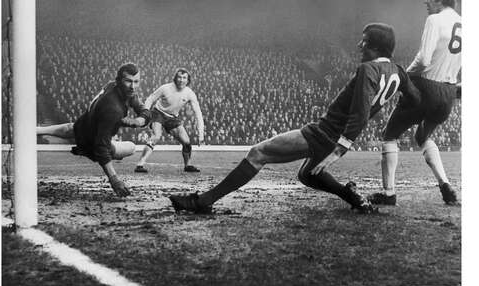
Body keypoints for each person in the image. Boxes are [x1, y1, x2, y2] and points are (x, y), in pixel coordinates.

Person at [169, 23, 420, 214]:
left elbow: (361, 112)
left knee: (259, 153)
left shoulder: (369, 68)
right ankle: (353, 197)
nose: (359, 46)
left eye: (363, 42)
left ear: (375, 46)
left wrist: (339, 150)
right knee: (307, 175)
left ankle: (203, 202)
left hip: (324, 133)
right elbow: (416, 100)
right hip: (331, 134)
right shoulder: (399, 72)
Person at [368, 0, 461, 206]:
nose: (425, 1)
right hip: (448, 93)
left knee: (389, 134)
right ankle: (445, 185)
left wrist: (403, 76)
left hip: (425, 87)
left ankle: (389, 194)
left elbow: (424, 59)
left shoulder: (435, 20)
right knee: (422, 136)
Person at [37, 63, 150, 197]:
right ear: (119, 80)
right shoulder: (113, 109)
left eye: (136, 81)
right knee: (131, 147)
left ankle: (37, 130)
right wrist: (114, 179)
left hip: (82, 126)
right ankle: (86, 150)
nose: (133, 86)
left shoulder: (112, 86)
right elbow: (101, 148)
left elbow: (144, 111)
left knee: (73, 127)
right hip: (94, 143)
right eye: (128, 81)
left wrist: (138, 121)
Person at [134, 68, 205, 173]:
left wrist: (201, 135)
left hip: (172, 117)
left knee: (186, 142)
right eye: (179, 77)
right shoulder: (165, 88)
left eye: (184, 78)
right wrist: (145, 113)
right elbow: (151, 98)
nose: (181, 80)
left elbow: (198, 113)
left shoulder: (190, 93)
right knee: (156, 136)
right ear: (175, 78)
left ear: (188, 80)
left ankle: (188, 165)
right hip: (158, 113)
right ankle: (140, 164)